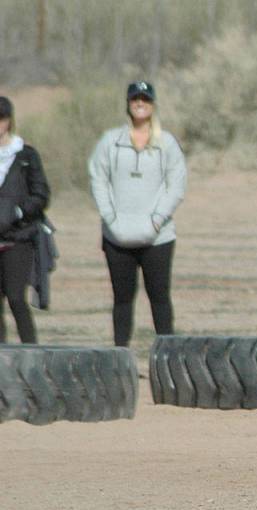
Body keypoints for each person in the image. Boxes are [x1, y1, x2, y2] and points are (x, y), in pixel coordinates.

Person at [88, 80, 186, 347]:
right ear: (128, 104)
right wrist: (110, 217)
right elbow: (98, 178)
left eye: (145, 99)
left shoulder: (166, 143)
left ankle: (167, 359)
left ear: (153, 105)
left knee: (160, 298)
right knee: (122, 299)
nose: (140, 103)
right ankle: (121, 359)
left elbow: (177, 185)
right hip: (117, 236)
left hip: (158, 237)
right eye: (135, 99)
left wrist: (157, 220)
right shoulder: (110, 141)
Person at [0, 95, 50, 344]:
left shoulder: (26, 156)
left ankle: (31, 355)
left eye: (1, 118)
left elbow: (41, 194)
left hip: (18, 239)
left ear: (9, 121)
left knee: (16, 298)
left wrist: (19, 212)